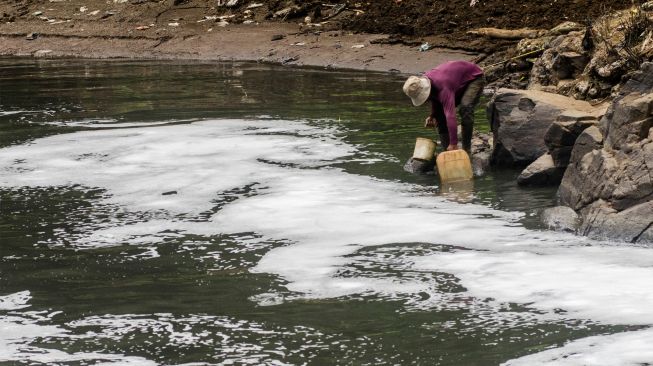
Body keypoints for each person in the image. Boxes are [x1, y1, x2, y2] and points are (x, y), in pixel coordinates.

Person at [403, 60, 485, 153]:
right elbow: (435, 98)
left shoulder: (443, 86)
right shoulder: (427, 82)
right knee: (439, 116)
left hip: (473, 78)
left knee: (465, 108)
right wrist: (433, 115)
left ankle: (466, 149)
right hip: (455, 82)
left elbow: (450, 116)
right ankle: (446, 151)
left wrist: (454, 143)